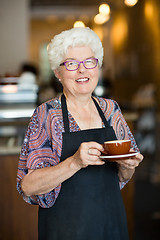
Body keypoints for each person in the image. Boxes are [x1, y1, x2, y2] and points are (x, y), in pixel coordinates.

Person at [16, 27, 143, 240]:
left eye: (89, 62)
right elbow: (28, 186)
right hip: (65, 228)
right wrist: (74, 162)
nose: (82, 71)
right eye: (72, 64)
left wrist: (128, 165)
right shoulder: (47, 114)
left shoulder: (111, 109)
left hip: (110, 222)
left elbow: (123, 176)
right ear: (58, 72)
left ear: (98, 66)